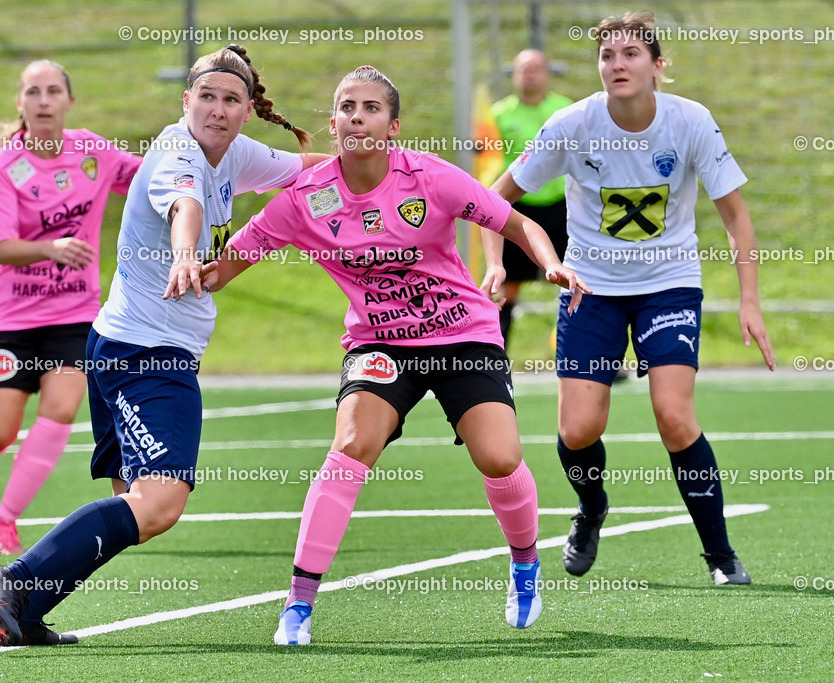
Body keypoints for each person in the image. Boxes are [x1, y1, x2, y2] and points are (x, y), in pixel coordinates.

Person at [204, 65, 589, 646]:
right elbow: (222, 269)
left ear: (392, 125)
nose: (357, 116)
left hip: (462, 335)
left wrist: (550, 261)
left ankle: (526, 565)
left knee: (499, 458)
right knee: (352, 444)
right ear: (333, 123)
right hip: (380, 343)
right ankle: (299, 605)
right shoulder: (304, 199)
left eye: (370, 108)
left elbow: (519, 223)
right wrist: (181, 250)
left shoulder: (431, 178)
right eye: (346, 107)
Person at [0, 44, 323, 647]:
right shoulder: (176, 152)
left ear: (246, 111)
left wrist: (380, 161)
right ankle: (16, 581)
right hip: (146, 353)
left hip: (124, 343)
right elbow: (185, 205)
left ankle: (22, 610)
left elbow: (306, 169)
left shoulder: (237, 153)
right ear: (185, 101)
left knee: (137, 504)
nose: (216, 109)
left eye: (230, 100)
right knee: (158, 503)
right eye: (206, 97)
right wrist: (186, 254)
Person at [482, 10, 776, 587]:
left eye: (631, 55)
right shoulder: (572, 123)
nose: (617, 65)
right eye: (607, 56)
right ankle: (591, 509)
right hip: (591, 287)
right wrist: (495, 262)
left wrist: (750, 299)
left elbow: (736, 215)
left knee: (674, 416)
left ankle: (720, 555)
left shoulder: (691, 122)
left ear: (657, 66)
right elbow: (494, 199)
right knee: (578, 431)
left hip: (669, 283)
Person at [0, 60, 142, 555]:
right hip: (10, 318)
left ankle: (4, 520)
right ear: (20, 104)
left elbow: (149, 180)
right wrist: (51, 248)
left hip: (74, 312)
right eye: (33, 92)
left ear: (69, 102)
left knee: (61, 407)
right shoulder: (3, 166)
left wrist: (201, 162)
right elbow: (3, 247)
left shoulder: (93, 152)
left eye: (53, 90)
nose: (43, 100)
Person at [487, 49, 573, 348]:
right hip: (517, 209)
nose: (530, 74)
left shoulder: (565, 110)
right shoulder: (498, 115)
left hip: (561, 207)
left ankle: (597, 359)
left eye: (537, 68)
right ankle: (494, 359)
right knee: (506, 288)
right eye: (523, 69)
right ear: (514, 75)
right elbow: (486, 161)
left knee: (577, 279)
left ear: (548, 74)